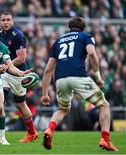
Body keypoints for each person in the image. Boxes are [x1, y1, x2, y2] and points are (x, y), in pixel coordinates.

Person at [41, 17, 118, 151]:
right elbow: (92, 53)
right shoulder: (85, 36)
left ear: (69, 27)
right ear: (83, 28)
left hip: (60, 79)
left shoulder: (58, 41)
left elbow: (48, 70)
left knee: (63, 109)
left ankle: (49, 129)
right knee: (104, 105)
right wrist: (98, 76)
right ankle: (105, 140)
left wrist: (45, 93)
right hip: (78, 76)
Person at [0, 12, 38, 143]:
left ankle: (32, 132)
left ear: (13, 21)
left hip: (18, 74)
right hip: (4, 74)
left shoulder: (19, 36)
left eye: (8, 20)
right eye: (3, 20)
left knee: (21, 104)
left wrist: (6, 65)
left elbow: (21, 58)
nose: (5, 22)